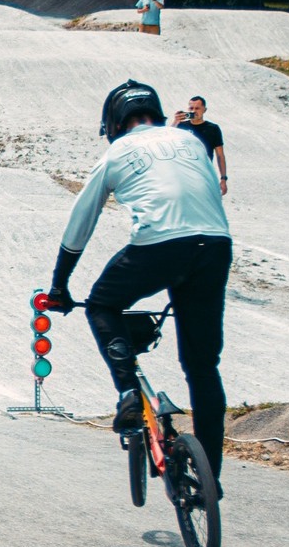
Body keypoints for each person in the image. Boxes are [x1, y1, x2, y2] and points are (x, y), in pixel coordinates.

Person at [44, 80, 232, 484]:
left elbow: (81, 221)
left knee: (101, 304)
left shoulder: (118, 151)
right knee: (202, 367)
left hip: (160, 244)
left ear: (114, 123)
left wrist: (59, 286)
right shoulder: (191, 142)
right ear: (158, 113)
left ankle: (128, 391)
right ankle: (210, 480)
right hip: (215, 245)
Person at [175, 95, 227, 196]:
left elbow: (220, 156)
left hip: (204, 175)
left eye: (197, 108)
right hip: (184, 175)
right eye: (191, 108)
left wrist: (223, 179)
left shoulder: (213, 129)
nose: (194, 111)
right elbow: (167, 141)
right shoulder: (180, 126)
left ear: (205, 110)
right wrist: (175, 122)